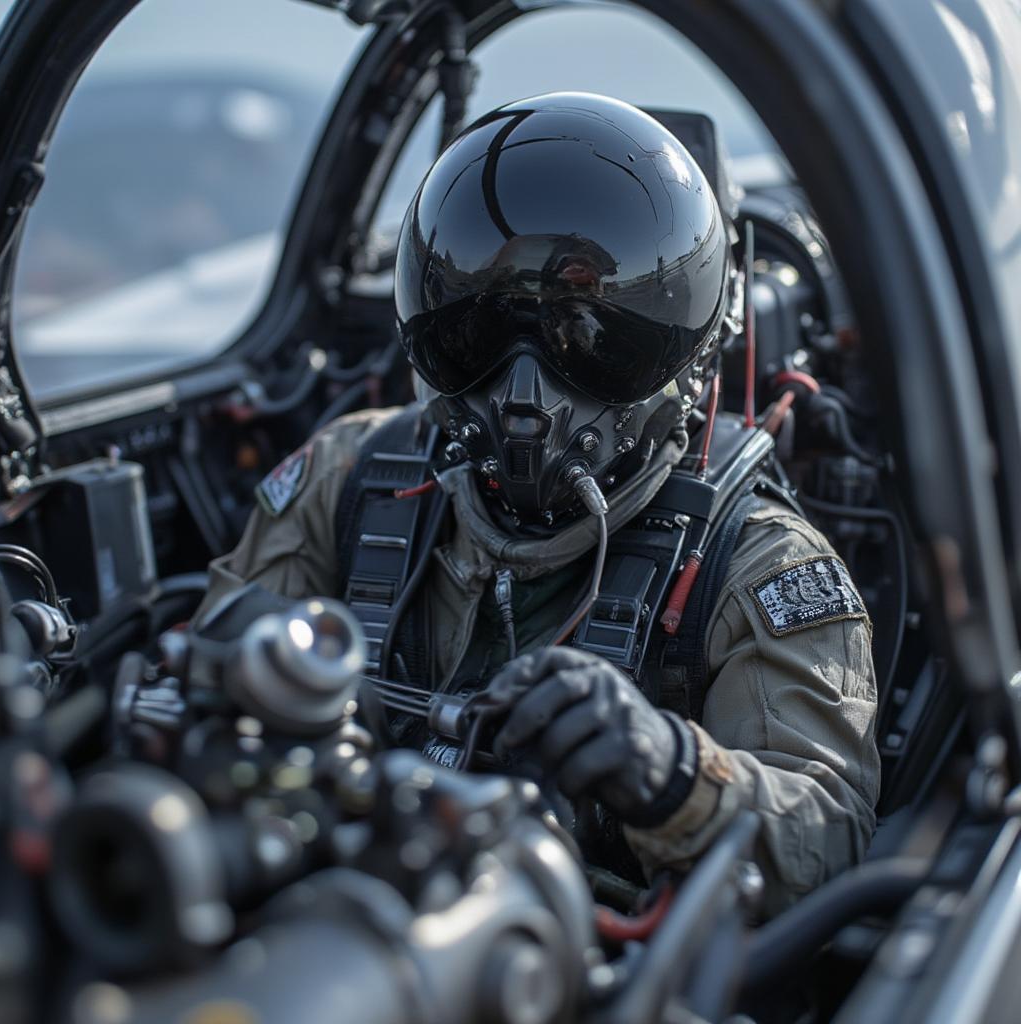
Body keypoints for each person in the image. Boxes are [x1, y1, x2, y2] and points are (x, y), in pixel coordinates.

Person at [195, 93, 879, 917]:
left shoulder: (757, 563)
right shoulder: (353, 476)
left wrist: (670, 774)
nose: (524, 400)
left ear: (690, 357)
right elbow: (209, 667)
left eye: (584, 332)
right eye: (488, 328)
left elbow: (830, 831)